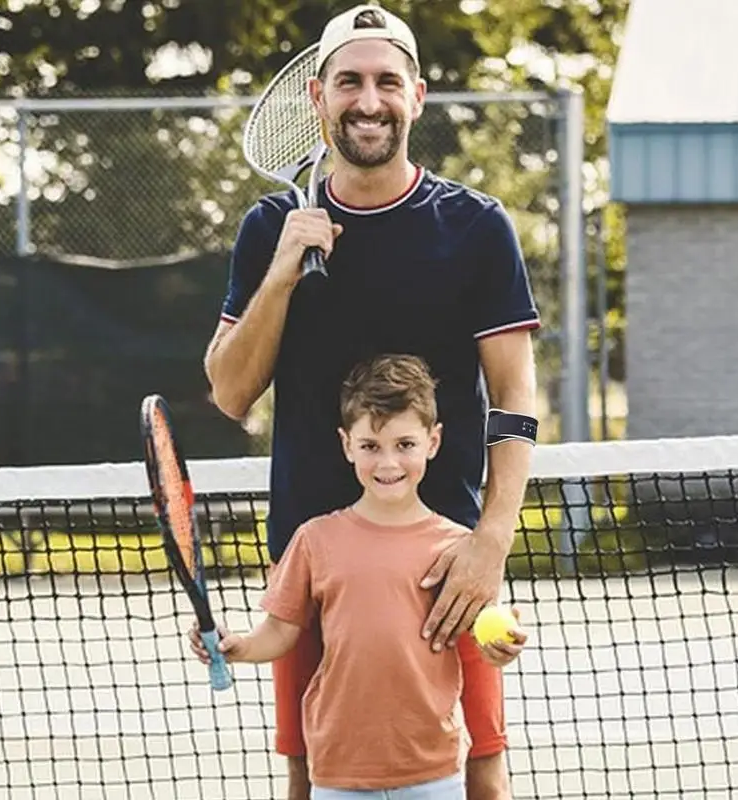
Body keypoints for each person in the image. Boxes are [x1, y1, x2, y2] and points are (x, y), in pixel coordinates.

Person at [199, 4, 540, 799]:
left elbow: (515, 396)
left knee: (481, 772)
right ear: (317, 98)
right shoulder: (269, 228)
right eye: (349, 81)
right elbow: (228, 392)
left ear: (417, 96)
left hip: (444, 562)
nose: (369, 99)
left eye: (388, 81)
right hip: (309, 565)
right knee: (310, 775)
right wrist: (282, 270)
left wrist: (490, 542)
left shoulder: (477, 227)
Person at [203, 354, 527, 798]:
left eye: (405, 444)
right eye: (371, 446)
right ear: (347, 444)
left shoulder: (459, 549)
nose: (388, 462)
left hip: (434, 775)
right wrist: (238, 646)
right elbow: (279, 633)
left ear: (433, 442)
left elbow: (478, 637)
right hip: (339, 776)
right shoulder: (314, 540)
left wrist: (499, 648)